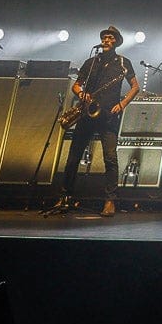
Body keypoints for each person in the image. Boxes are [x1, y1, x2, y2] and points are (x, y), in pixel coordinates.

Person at [52, 26, 140, 217]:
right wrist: (81, 94)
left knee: (110, 158)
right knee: (73, 157)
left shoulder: (123, 62)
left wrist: (122, 104)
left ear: (116, 42)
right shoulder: (91, 62)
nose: (106, 40)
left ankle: (110, 201)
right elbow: (77, 85)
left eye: (110, 37)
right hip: (87, 114)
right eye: (104, 37)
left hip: (108, 116)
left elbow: (135, 87)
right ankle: (65, 196)